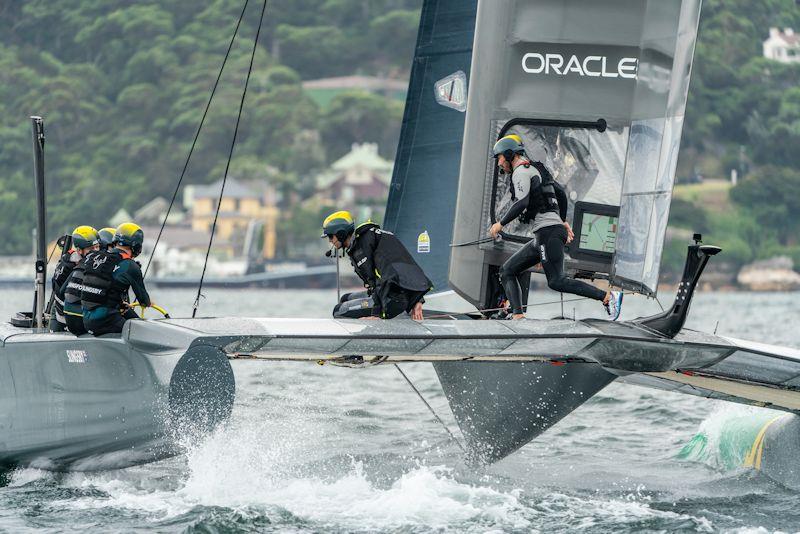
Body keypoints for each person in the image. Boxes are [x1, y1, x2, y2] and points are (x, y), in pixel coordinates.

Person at [488, 134, 623, 320]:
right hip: (544, 235)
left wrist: (500, 224)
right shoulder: (536, 169)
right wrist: (563, 221)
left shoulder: (520, 172)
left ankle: (608, 297)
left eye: (500, 158)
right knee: (507, 270)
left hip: (547, 234)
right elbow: (560, 193)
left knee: (556, 281)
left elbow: (521, 203)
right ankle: (518, 317)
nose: (499, 163)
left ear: (510, 154)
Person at [321, 210, 432, 320]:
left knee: (339, 310)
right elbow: (408, 267)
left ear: (341, 234)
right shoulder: (371, 237)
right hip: (394, 295)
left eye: (331, 236)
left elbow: (378, 280)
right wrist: (418, 300)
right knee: (345, 298)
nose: (330, 241)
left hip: (390, 301)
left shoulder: (362, 248)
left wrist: (376, 314)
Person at [81, 222, 151, 335]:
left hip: (86, 321)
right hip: (106, 321)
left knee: (129, 315)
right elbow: (144, 301)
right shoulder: (130, 265)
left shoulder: (94, 257)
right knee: (142, 333)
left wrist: (120, 303)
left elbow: (105, 289)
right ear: (136, 246)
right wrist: (148, 302)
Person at [50, 226, 99, 332]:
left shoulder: (84, 260)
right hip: (62, 317)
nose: (95, 251)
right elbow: (59, 290)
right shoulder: (71, 265)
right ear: (79, 250)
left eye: (97, 247)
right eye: (91, 249)